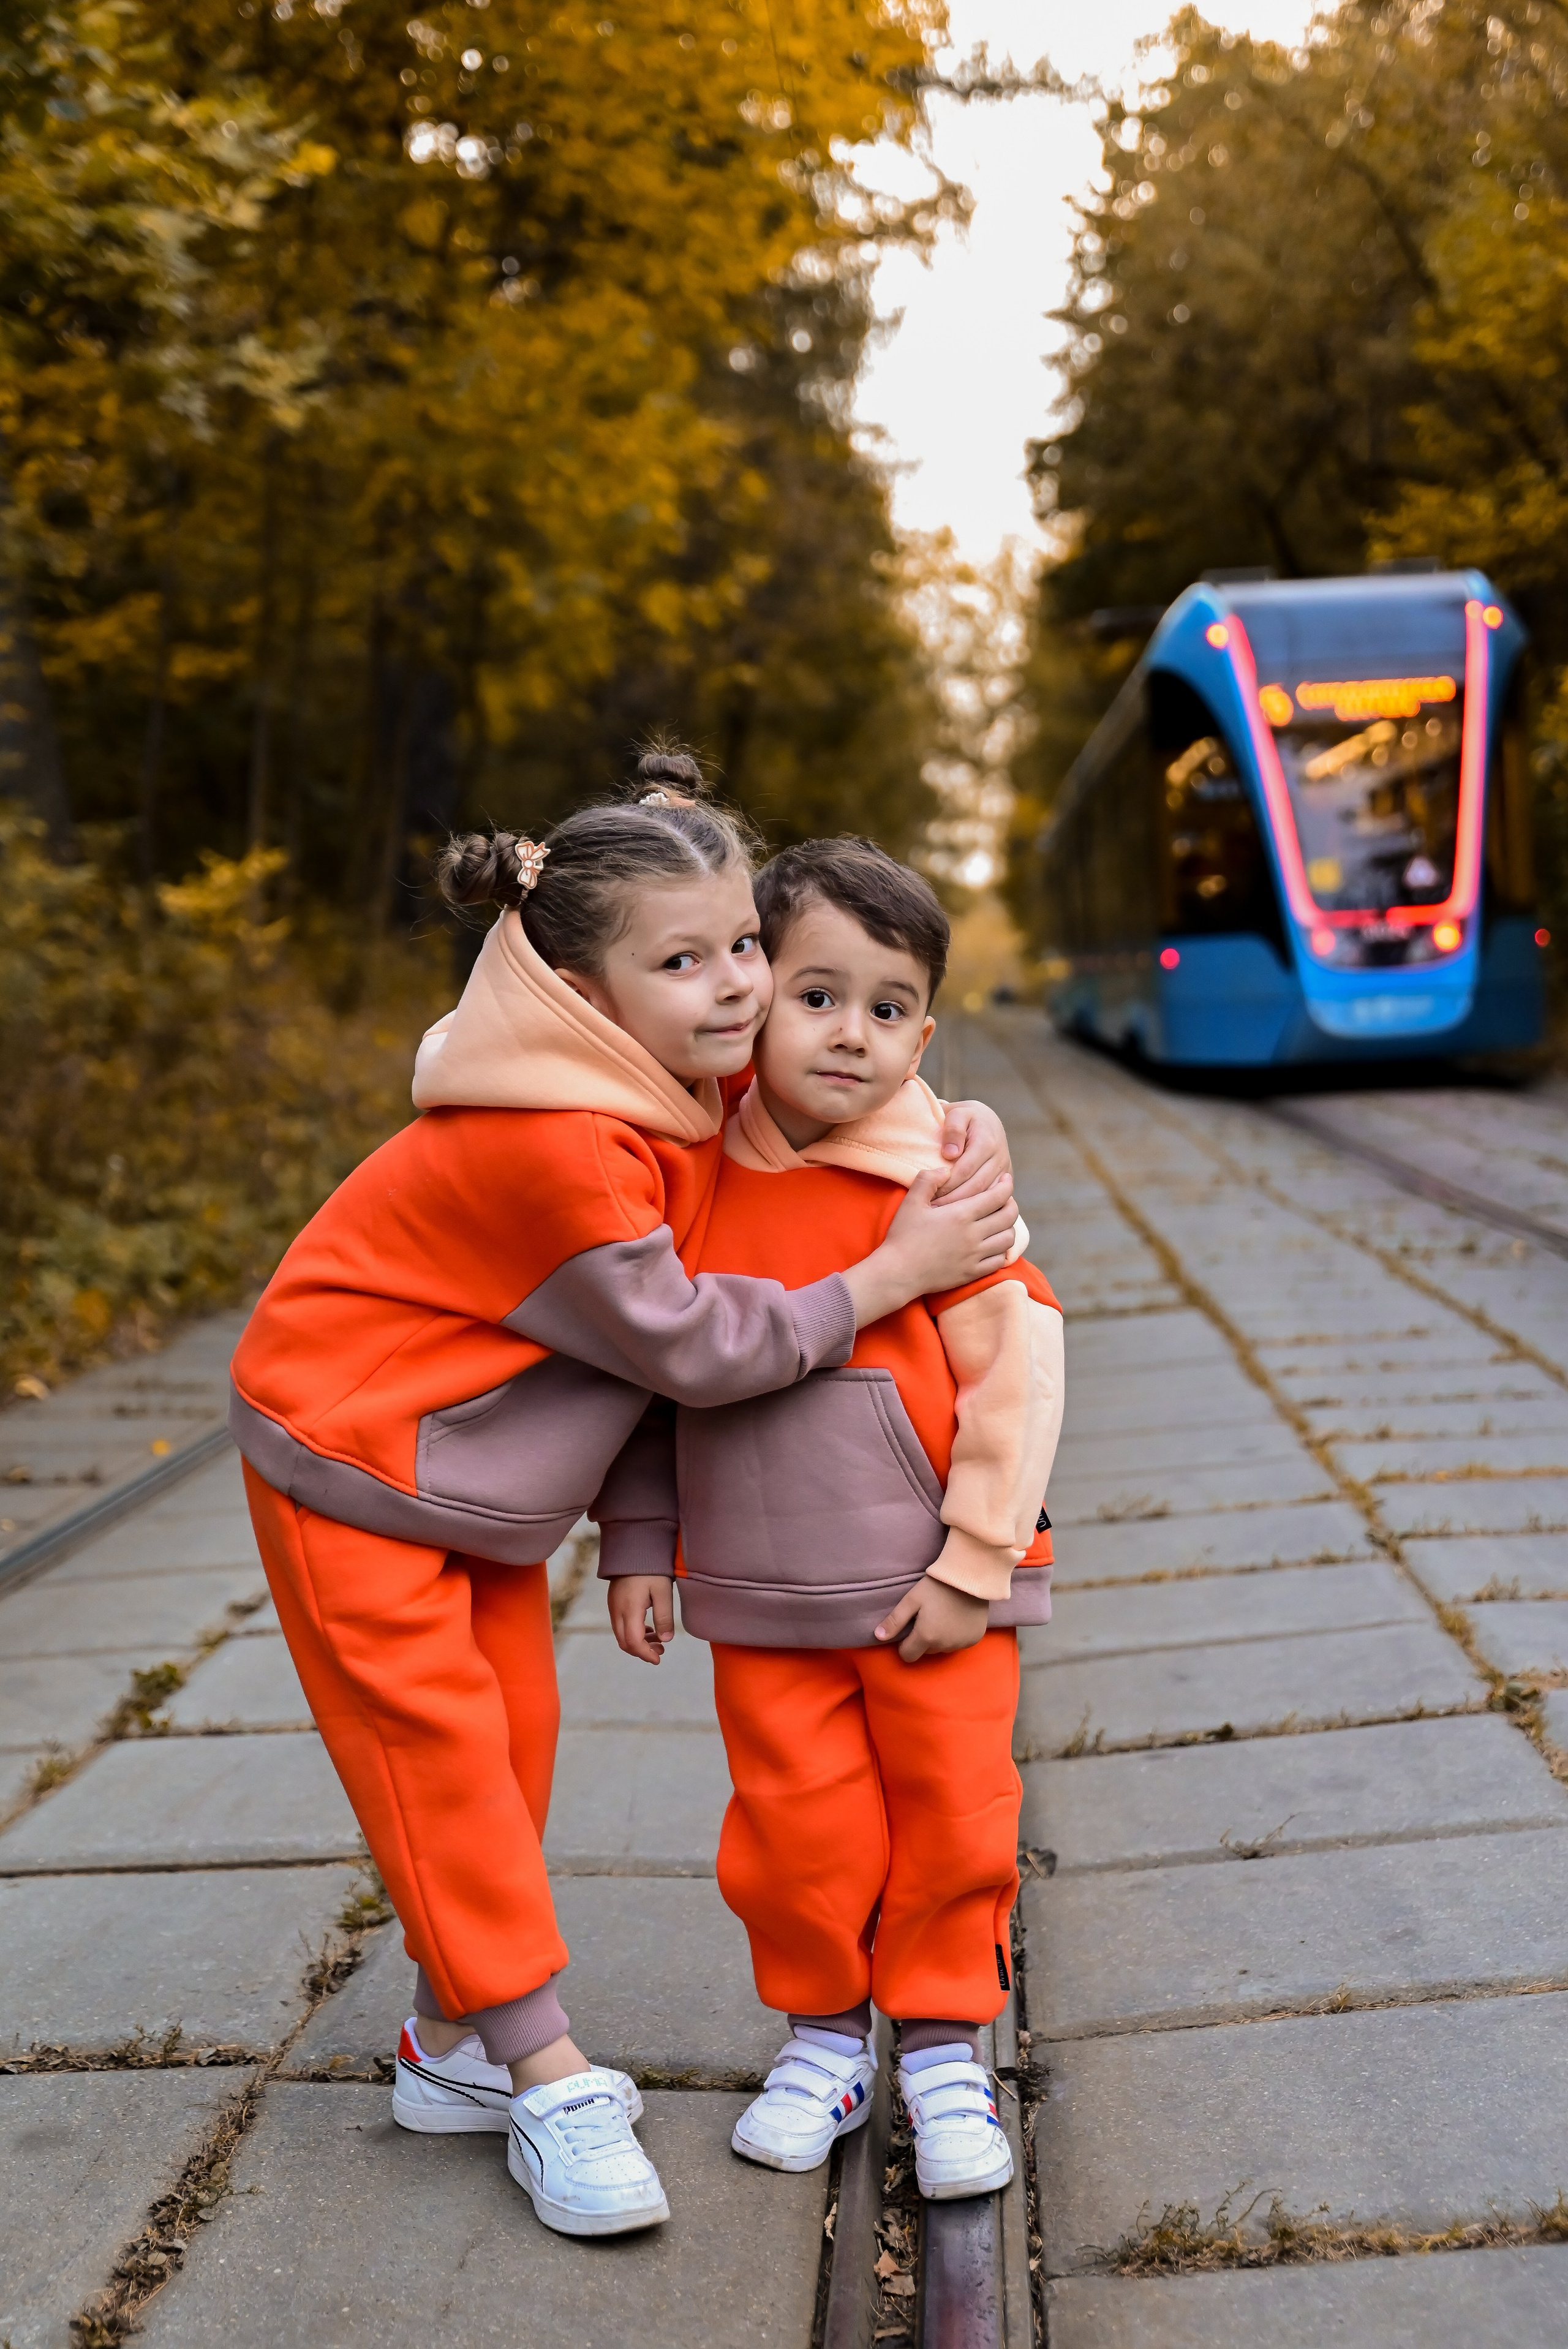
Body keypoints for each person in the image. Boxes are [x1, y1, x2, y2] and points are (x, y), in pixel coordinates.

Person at [228, 759, 1020, 2238]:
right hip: (349, 1452)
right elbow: (697, 1347)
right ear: (581, 993)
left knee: (509, 1754)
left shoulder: (662, 1083)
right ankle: (542, 2068)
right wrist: (887, 1276)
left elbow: (840, 1074)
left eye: (739, 946)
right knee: (439, 1760)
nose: (734, 988)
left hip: (466, 1468)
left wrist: (948, 1127)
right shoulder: (559, 1146)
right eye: (682, 962)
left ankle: (445, 2046)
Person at [607, 837, 1064, 2203]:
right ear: (752, 994)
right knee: (792, 1830)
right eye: (817, 994)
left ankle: (939, 2043)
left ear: (925, 1029)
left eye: (886, 1007)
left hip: (932, 1583)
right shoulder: (691, 1174)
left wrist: (977, 1558)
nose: (850, 1035)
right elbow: (649, 1373)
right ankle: (821, 2036)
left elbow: (1014, 1372)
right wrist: (636, 1538)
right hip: (758, 1587)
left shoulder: (941, 1179)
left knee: (953, 1812)